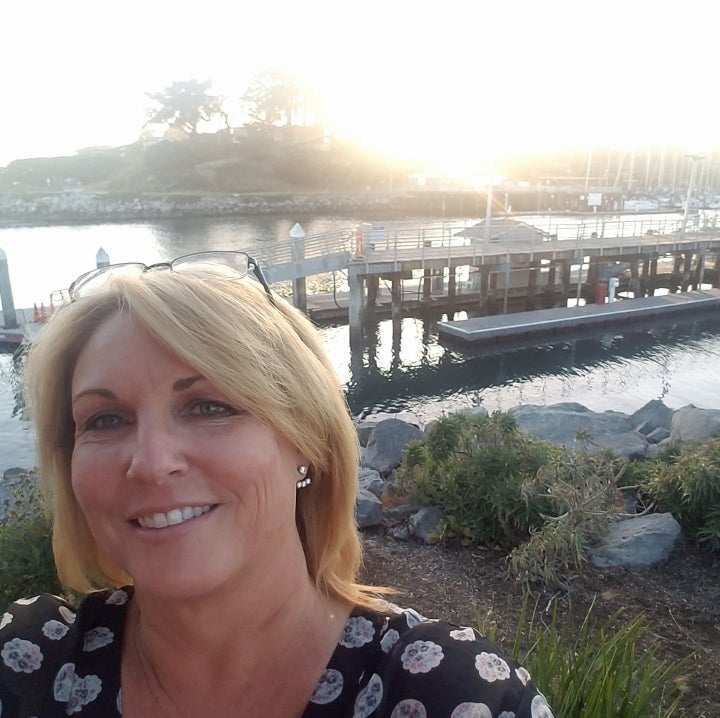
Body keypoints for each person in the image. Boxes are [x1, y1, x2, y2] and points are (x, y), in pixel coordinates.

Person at [0, 251, 554, 717]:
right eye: (104, 420)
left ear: (307, 440)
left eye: (209, 406)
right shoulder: (27, 662)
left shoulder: (448, 694)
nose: (150, 462)